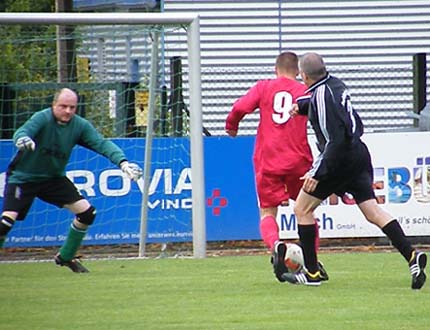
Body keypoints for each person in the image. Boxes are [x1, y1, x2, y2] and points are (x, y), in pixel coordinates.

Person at [278, 52, 427, 289]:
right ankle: (411, 256)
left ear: (304, 76)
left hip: (339, 160)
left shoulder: (320, 95)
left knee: (302, 209)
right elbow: (330, 105)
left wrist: (316, 172)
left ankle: (313, 274)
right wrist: (303, 106)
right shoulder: (335, 83)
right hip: (357, 153)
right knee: (373, 212)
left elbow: (333, 141)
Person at [0, 88, 143, 273]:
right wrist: (22, 139)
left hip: (53, 179)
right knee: (6, 223)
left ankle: (66, 256)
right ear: (54, 105)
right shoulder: (42, 118)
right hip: (23, 178)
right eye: (63, 106)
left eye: (72, 107)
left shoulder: (79, 126)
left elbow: (101, 143)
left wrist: (123, 163)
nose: (68, 111)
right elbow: (23, 131)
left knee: (87, 213)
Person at [225, 51, 327, 282]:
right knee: (306, 211)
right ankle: (313, 261)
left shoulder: (264, 87)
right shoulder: (305, 90)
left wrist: (232, 126)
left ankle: (277, 245)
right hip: (298, 160)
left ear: (275, 69)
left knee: (267, 212)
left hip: (268, 160)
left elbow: (240, 108)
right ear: (299, 73)